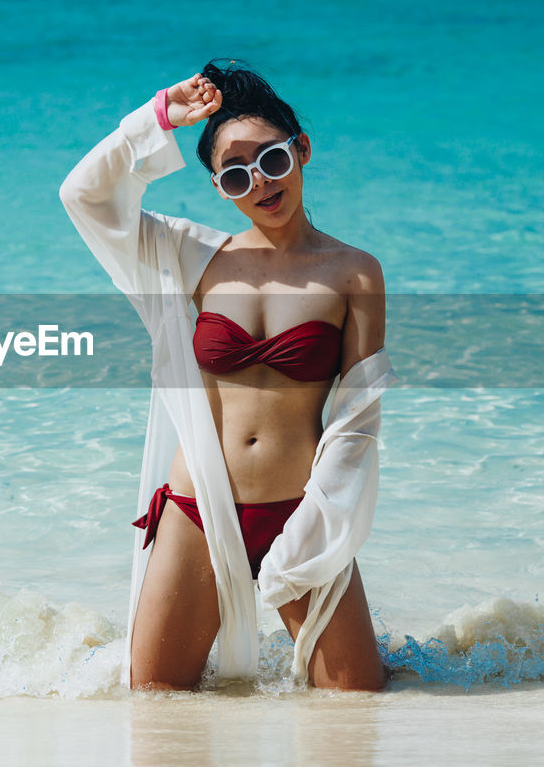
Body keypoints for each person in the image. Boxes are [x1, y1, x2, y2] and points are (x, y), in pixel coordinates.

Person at [59, 61, 394, 691]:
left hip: (301, 509)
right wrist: (157, 114)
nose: (260, 184)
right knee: (158, 709)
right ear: (220, 188)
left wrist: (321, 523)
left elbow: (356, 418)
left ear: (302, 150)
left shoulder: (355, 272)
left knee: (357, 707)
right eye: (236, 176)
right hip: (198, 509)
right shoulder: (193, 255)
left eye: (271, 161)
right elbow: (83, 196)